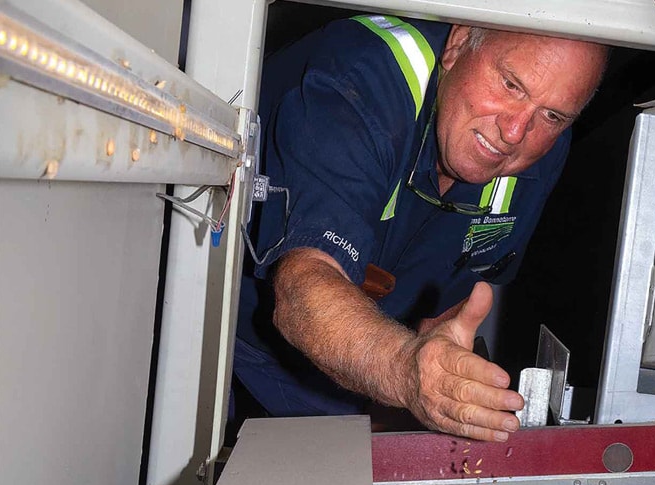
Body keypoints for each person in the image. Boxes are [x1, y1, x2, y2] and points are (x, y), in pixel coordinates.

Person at [234, 14, 609, 442]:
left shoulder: (544, 147)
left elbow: (455, 300)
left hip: (346, 364)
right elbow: (303, 287)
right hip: (214, 311)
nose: (515, 132)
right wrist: (407, 372)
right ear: (458, 44)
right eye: (510, 85)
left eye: (553, 115)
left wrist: (445, 379)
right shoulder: (360, 80)